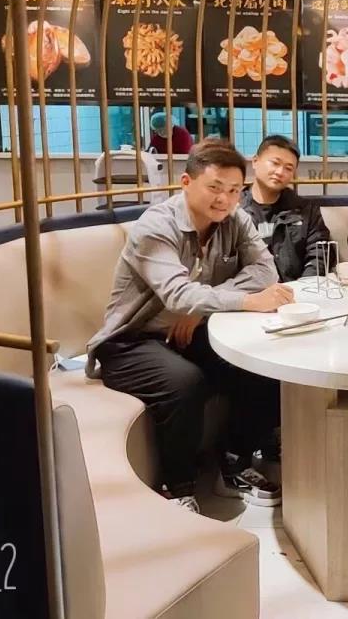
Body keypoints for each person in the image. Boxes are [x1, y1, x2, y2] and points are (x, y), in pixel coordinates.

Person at [86, 138, 297, 514]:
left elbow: (265, 270)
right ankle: (176, 487)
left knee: (262, 365)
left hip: (190, 330)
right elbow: (178, 295)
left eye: (234, 190)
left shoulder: (235, 219)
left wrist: (201, 308)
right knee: (186, 382)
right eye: (215, 187)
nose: (225, 199)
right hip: (131, 340)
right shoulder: (156, 226)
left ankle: (234, 462)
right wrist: (245, 300)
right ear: (186, 182)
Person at [240, 134, 333, 281]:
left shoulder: (306, 210)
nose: (280, 172)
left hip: (297, 291)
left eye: (288, 168)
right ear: (255, 161)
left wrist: (302, 288)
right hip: (249, 292)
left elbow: (319, 254)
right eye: (275, 163)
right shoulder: (234, 210)